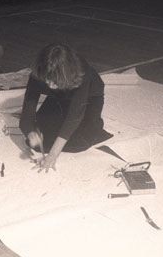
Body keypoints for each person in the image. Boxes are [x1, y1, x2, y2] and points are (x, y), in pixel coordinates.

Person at [19, 44, 113, 172]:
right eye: (47, 80)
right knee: (39, 144)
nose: (50, 85)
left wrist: (52, 155)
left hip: (90, 98)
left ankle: (94, 126)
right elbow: (27, 113)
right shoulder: (40, 74)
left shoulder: (81, 72)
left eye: (54, 81)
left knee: (79, 142)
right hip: (60, 96)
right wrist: (30, 132)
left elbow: (74, 116)